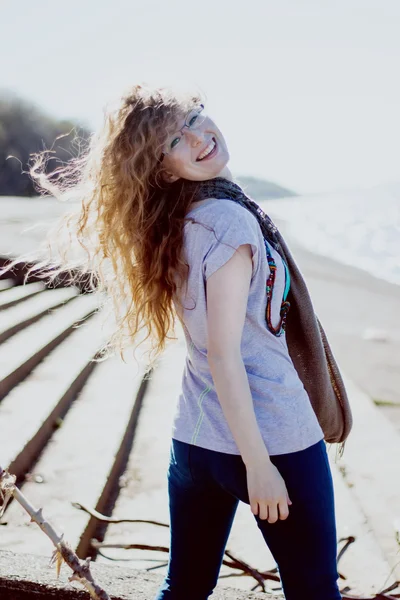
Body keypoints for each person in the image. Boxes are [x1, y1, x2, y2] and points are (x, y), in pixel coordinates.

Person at [1, 84, 342, 600]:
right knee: (315, 589)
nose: (199, 137)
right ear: (162, 169)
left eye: (196, 118)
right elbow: (226, 354)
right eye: (175, 140)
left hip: (196, 438)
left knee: (183, 588)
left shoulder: (185, 220)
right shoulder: (229, 221)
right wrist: (259, 466)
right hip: (272, 436)